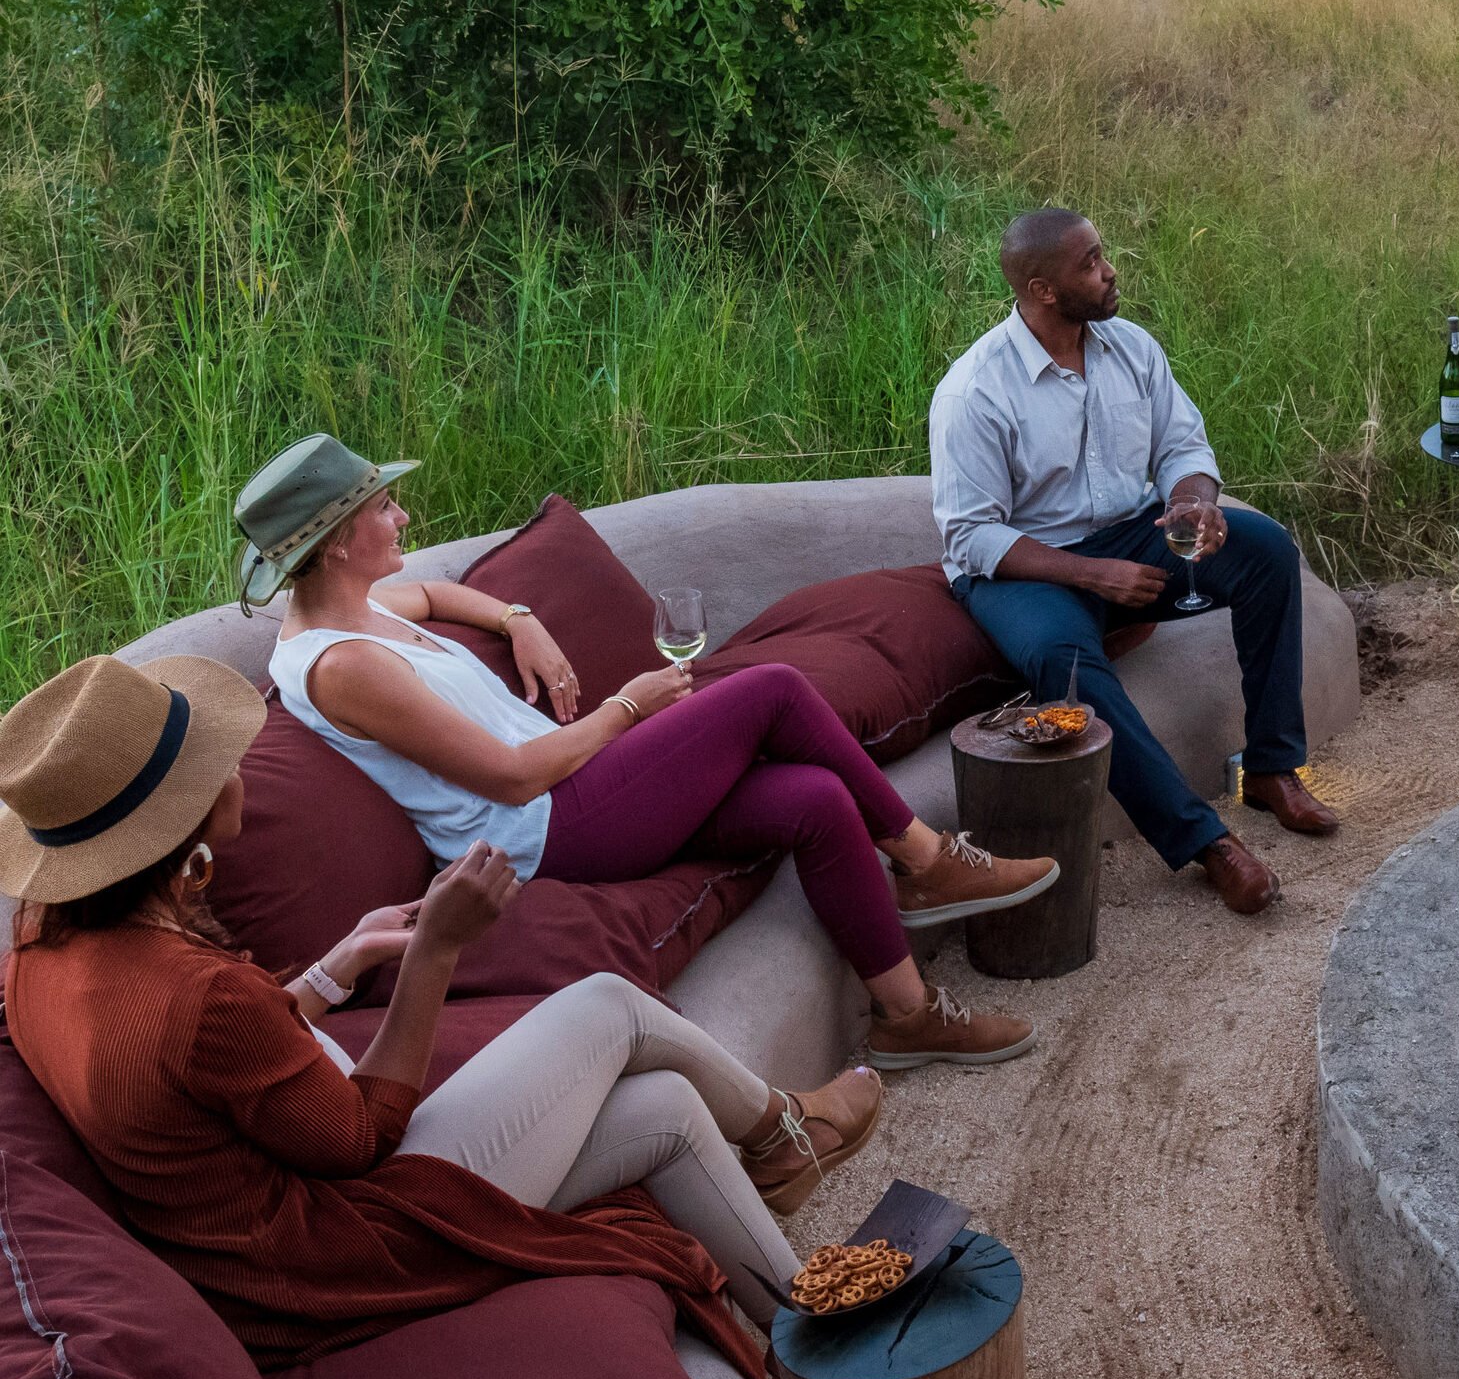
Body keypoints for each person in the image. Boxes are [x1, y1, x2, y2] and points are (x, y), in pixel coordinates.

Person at [0, 653, 866, 1379]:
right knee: (612, 1002)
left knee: (669, 1107)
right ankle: (787, 1126)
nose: (237, 766)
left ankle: (808, 1337)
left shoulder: (42, 952)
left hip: (274, 1232)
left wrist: (341, 962)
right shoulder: (195, 994)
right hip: (341, 1251)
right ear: (174, 825)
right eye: (215, 759)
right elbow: (357, 1137)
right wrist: (437, 950)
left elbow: (202, 1066)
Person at [237, 433, 1045, 1070]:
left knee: (814, 799)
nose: (404, 517)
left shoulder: (358, 608)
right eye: (385, 507)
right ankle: (927, 858)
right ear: (340, 541)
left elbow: (442, 593)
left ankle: (906, 1019)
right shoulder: (341, 665)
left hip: (575, 785)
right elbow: (513, 778)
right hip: (546, 828)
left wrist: (520, 618)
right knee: (771, 689)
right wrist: (629, 705)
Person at [929, 208, 1338, 917]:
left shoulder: (1131, 349)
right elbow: (971, 537)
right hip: (1024, 567)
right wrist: (1090, 575)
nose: (1110, 270)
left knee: (1266, 550)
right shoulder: (975, 392)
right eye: (1089, 263)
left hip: (1132, 536)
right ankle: (1206, 843)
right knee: (1068, 663)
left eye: (1102, 254)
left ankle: (1272, 767)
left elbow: (1183, 445)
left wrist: (1194, 504)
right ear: (1041, 290)